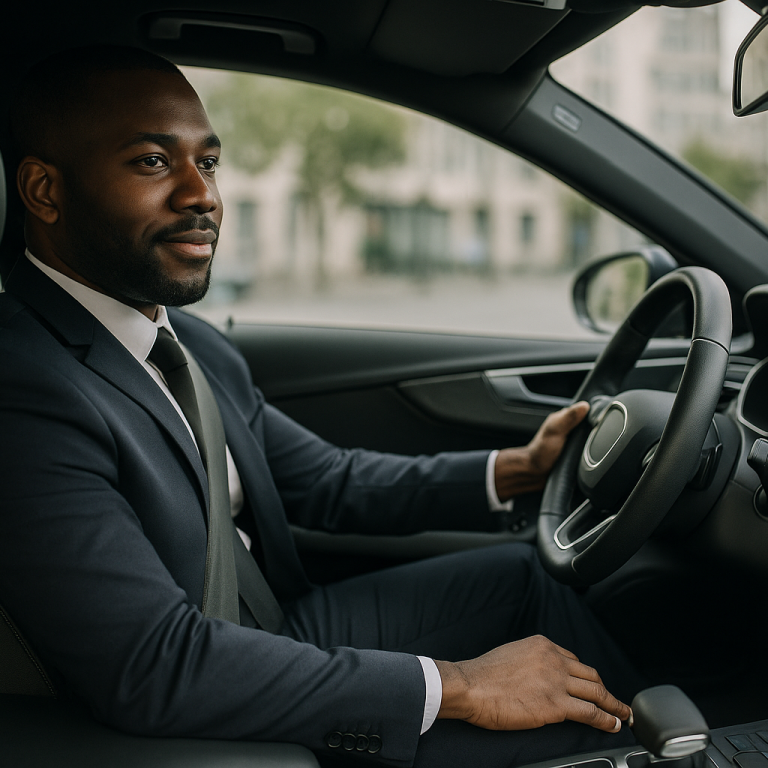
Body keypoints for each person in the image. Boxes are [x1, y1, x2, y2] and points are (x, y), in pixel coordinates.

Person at [0, 45, 642, 768]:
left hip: (274, 625)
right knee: (574, 731)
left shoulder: (187, 342)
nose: (200, 195)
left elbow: (327, 480)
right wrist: (459, 685)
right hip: (203, 690)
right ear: (44, 191)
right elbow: (152, 663)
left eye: (207, 163)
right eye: (153, 162)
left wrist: (517, 470)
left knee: (523, 579)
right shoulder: (25, 385)